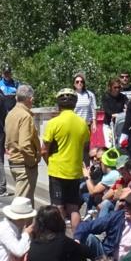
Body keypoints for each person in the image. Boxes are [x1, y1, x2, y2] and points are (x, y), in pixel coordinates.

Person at [42, 89, 92, 229]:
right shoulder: (82, 123)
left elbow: (44, 149)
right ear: (74, 104)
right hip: (75, 171)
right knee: (73, 207)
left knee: (57, 206)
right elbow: (86, 148)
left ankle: (58, 238)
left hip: (57, 169)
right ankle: (76, 238)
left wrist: (49, 162)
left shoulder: (54, 123)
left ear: (59, 104)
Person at [76, 190, 131, 261]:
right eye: (125, 205)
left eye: (130, 206)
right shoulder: (117, 216)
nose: (126, 208)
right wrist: (77, 239)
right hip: (110, 260)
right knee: (88, 238)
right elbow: (87, 225)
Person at [4, 84, 40, 200]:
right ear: (30, 99)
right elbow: (24, 144)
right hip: (24, 163)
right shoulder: (25, 116)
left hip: (15, 160)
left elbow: (8, 138)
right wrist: (32, 161)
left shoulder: (11, 113)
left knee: (25, 202)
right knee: (22, 204)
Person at [101, 77, 128, 144]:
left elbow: (128, 107)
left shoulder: (123, 97)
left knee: (120, 144)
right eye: (115, 87)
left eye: (119, 87)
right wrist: (117, 115)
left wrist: (127, 109)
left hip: (120, 124)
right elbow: (107, 111)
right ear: (110, 87)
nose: (117, 89)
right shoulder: (105, 97)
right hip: (109, 124)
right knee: (109, 144)